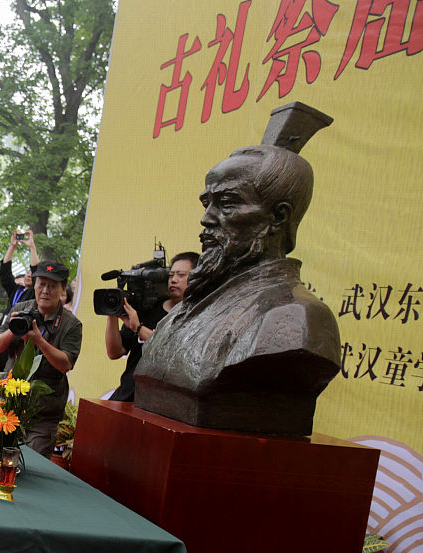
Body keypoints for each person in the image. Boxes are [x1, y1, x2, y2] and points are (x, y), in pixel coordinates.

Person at [134, 143, 341, 435]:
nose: (206, 217)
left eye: (227, 203)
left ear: (278, 217)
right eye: (207, 202)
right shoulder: (186, 308)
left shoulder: (298, 319)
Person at [0, 261, 83, 457]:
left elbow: (66, 364)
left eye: (52, 286)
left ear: (63, 289)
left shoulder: (71, 324)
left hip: (42, 414)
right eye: (41, 284)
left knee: (30, 463)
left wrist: (39, 341)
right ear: (35, 285)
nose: (45, 291)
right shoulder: (21, 308)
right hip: (8, 406)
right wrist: (13, 330)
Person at [105, 251, 198, 402]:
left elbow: (174, 353)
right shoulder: (147, 308)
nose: (173, 280)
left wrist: (139, 328)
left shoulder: (195, 318)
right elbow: (114, 352)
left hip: (161, 403)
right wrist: (112, 314)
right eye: (171, 275)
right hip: (127, 395)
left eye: (181, 275)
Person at [0, 229, 41, 306]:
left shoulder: (36, 294)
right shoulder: (16, 290)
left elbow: (36, 270)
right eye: (28, 273)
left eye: (32, 274)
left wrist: (32, 247)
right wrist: (12, 246)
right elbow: (5, 273)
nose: (29, 275)